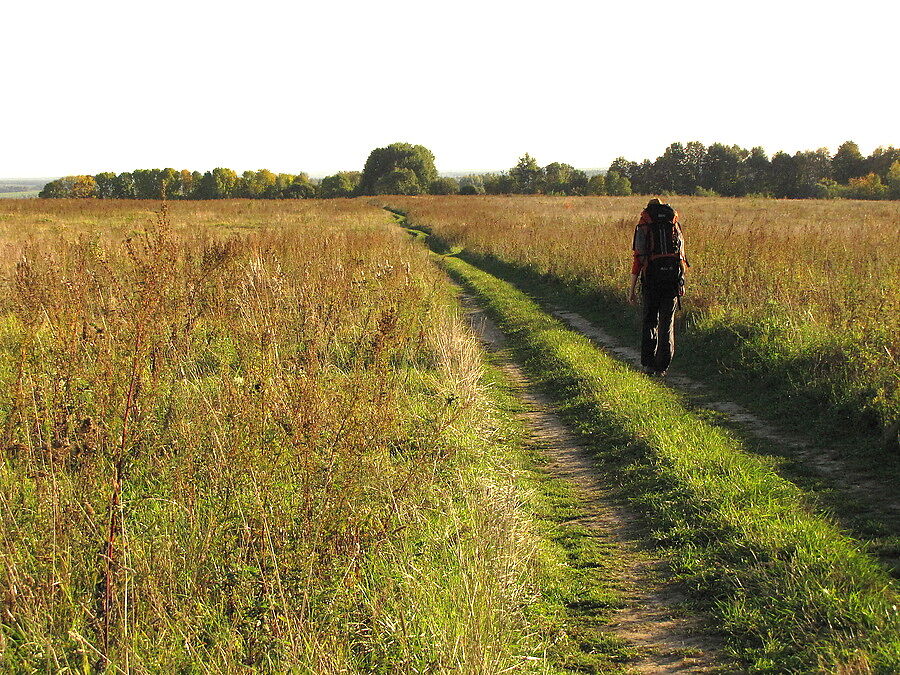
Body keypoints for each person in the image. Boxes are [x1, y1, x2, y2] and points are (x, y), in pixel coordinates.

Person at [628, 198, 686, 377]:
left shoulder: (644, 224)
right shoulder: (673, 224)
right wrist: (681, 281)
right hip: (672, 281)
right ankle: (662, 367)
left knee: (650, 321)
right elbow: (681, 256)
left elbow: (638, 259)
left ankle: (648, 364)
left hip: (651, 279)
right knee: (666, 323)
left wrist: (631, 289)